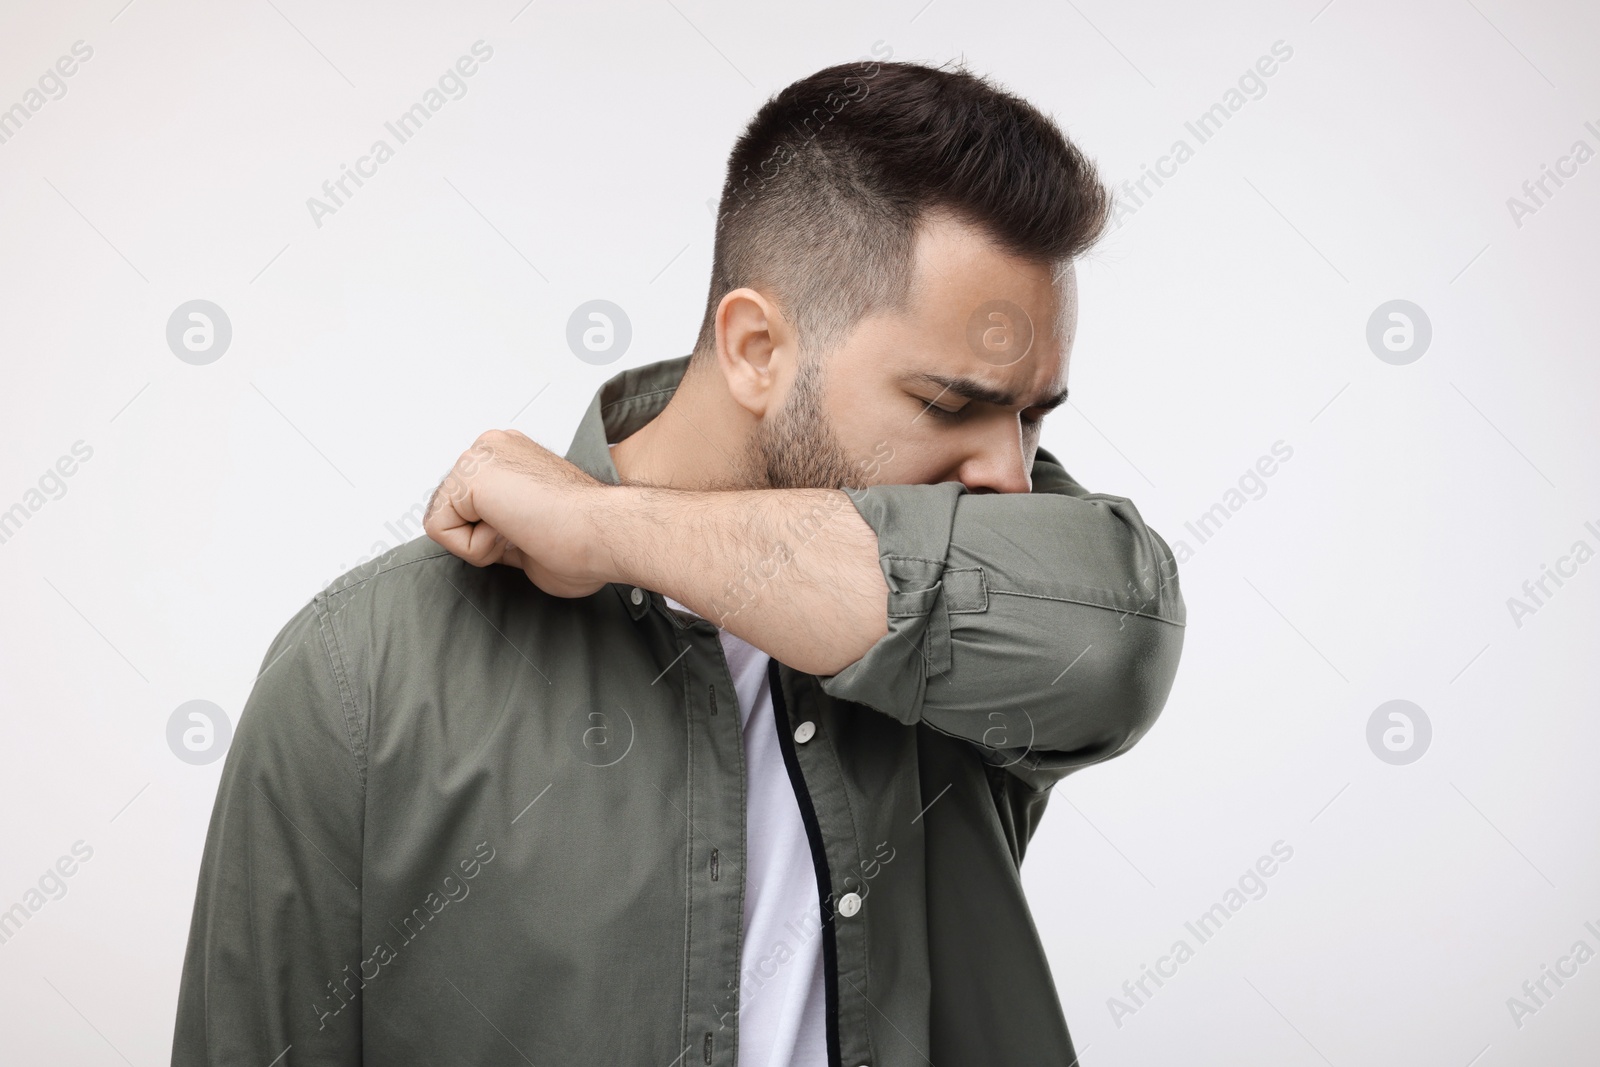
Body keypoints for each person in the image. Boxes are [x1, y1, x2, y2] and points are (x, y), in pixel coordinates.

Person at [172, 58, 1185, 1067]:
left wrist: (604, 528)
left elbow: (1114, 646)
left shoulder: (995, 603)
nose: (1010, 477)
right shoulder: (362, 672)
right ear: (754, 348)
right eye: (949, 404)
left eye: (1032, 412)